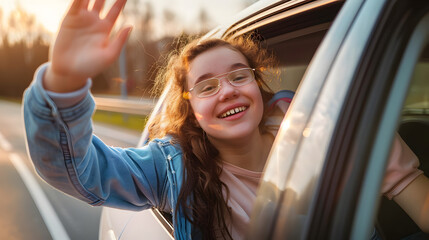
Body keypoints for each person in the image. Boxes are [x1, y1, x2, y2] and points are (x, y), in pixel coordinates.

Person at [22, 0, 428, 239]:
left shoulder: (336, 131)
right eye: (207, 86)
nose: (228, 90)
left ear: (258, 88)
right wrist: (64, 82)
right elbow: (75, 169)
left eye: (238, 76)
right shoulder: (170, 169)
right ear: (192, 111)